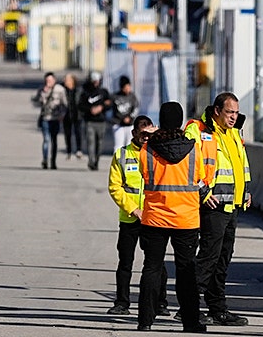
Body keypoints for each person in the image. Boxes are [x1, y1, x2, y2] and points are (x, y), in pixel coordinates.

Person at [135, 101, 206, 333]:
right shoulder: (194, 149)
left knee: (152, 268)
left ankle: (145, 321)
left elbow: (144, 176)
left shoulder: (147, 150)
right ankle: (191, 322)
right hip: (186, 219)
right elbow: (201, 178)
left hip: (155, 217)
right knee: (186, 271)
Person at [184, 93, 250, 327]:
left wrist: (246, 191)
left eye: (236, 113)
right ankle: (188, 307)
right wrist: (203, 192)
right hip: (212, 205)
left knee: (223, 259)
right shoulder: (198, 130)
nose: (234, 117)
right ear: (216, 111)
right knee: (208, 257)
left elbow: (240, 164)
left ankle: (217, 307)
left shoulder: (232, 132)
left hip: (232, 205)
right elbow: (188, 164)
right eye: (229, 112)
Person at [106, 116, 168, 317]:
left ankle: (161, 302)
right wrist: (133, 209)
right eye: (142, 134)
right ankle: (122, 302)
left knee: (156, 262)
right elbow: (115, 187)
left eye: (149, 134)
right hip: (130, 218)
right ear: (133, 133)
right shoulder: (122, 155)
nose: (145, 138)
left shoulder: (160, 154)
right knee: (125, 261)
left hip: (153, 217)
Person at [81, 71, 112, 170]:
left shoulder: (104, 92)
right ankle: (91, 161)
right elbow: (80, 106)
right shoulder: (85, 92)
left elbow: (110, 104)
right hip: (90, 121)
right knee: (91, 142)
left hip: (101, 121)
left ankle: (96, 160)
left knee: (100, 144)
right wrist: (90, 110)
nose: (95, 83)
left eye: (97, 81)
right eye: (94, 81)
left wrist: (101, 107)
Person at [36, 72, 67, 169]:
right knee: (46, 139)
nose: (48, 82)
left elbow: (65, 104)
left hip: (55, 119)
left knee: (54, 141)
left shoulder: (60, 90)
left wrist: (62, 115)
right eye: (47, 80)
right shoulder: (42, 90)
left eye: (50, 80)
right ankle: (45, 159)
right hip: (46, 118)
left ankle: (53, 161)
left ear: (54, 80)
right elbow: (38, 103)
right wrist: (44, 93)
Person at [110, 76, 138, 149]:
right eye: (125, 87)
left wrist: (130, 117)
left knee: (129, 145)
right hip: (118, 124)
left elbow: (136, 109)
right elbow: (112, 109)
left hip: (129, 125)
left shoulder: (132, 96)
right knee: (118, 145)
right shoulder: (115, 96)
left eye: (129, 87)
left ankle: (128, 160)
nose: (128, 89)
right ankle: (117, 160)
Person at [61, 73, 84, 159]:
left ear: (72, 80)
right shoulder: (63, 90)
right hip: (66, 114)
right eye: (65, 79)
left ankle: (79, 149)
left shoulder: (78, 90)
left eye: (67, 80)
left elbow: (81, 101)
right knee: (67, 134)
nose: (65, 81)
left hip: (76, 114)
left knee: (78, 132)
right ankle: (69, 151)